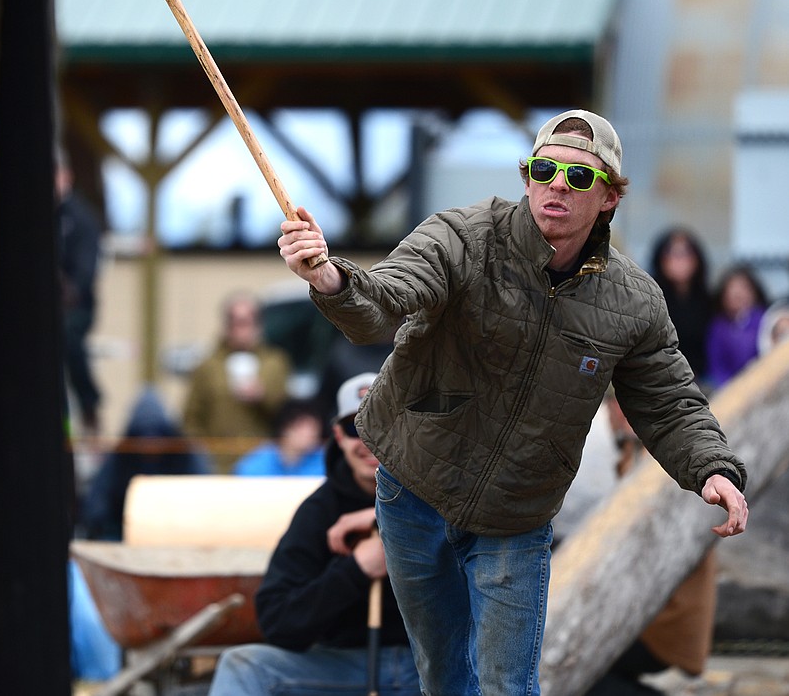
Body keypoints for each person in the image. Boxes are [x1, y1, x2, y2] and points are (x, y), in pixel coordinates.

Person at [276, 109, 749, 694]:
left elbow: (670, 399)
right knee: (445, 675)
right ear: (527, 176)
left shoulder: (635, 302)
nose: (557, 184)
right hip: (414, 490)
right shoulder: (462, 236)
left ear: (609, 199)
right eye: (545, 169)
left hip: (517, 516)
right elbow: (385, 299)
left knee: (508, 686)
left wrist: (711, 467)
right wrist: (329, 279)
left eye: (578, 177)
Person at [208, 373, 420, 695]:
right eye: (355, 428)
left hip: (434, 664)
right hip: (344, 666)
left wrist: (384, 521)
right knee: (243, 665)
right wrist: (355, 571)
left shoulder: (437, 498)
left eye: (382, 424)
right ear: (337, 434)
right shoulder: (319, 511)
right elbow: (278, 622)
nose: (369, 441)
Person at [585, 391, 718, 696]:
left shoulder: (662, 465)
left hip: (662, 620)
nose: (609, 416)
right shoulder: (633, 458)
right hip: (641, 613)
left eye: (612, 407)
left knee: (571, 665)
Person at [79, 387, 211, 541]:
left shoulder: (185, 455)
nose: (150, 444)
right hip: (128, 534)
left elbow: (206, 497)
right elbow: (98, 503)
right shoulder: (120, 457)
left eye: (156, 435)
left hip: (179, 532)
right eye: (143, 436)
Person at [182, 292, 292, 469]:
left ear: (258, 325)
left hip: (264, 462)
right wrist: (202, 452)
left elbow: (288, 415)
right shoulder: (207, 366)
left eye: (247, 322)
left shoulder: (275, 363)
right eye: (235, 322)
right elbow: (191, 417)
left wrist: (262, 396)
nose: (240, 330)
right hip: (218, 462)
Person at [56, 151, 103, 436]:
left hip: (76, 308)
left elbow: (86, 273)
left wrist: (68, 289)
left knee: (68, 340)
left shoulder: (81, 218)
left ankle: (89, 406)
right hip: (47, 307)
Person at [649, 228, 713, 382]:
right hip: (658, 381)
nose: (679, 259)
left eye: (686, 252)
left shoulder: (710, 302)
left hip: (705, 382)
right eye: (672, 252)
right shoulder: (648, 300)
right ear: (660, 259)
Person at [705, 264, 769, 389]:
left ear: (755, 292)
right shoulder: (718, 327)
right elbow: (716, 365)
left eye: (743, 288)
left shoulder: (766, 320)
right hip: (727, 388)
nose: (737, 293)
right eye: (731, 288)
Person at [232, 398, 328, 477]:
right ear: (284, 429)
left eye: (314, 427)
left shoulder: (325, 461)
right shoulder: (256, 464)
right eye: (300, 427)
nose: (310, 433)